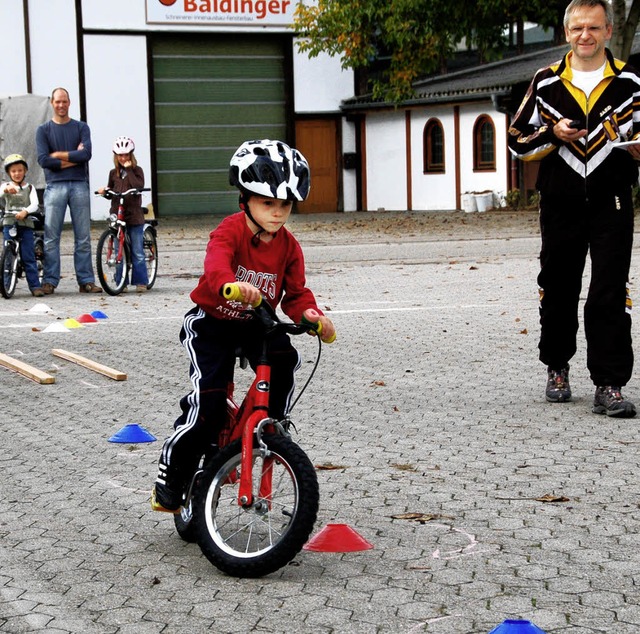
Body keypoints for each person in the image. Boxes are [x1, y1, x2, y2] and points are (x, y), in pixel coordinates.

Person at [151, 139, 336, 513]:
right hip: (213, 323)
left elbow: (296, 293)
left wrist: (311, 314)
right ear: (245, 198)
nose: (278, 212)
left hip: (257, 323)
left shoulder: (288, 247)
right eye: (268, 203)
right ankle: (171, 474)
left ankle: (273, 423)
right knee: (209, 408)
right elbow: (216, 264)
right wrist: (228, 285)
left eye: (285, 204)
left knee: (285, 359)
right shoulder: (230, 230)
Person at [508, 0, 640, 417]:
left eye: (594, 27)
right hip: (561, 201)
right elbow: (516, 140)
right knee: (559, 286)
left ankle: (609, 383)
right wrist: (553, 132)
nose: (586, 35)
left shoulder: (631, 81)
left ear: (609, 31)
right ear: (566, 32)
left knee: (609, 290)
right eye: (578, 27)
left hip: (613, 200)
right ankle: (557, 367)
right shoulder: (545, 82)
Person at [35, 87, 101, 294]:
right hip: (54, 186)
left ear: (69, 103)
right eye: (57, 102)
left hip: (79, 185)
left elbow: (87, 154)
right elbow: (44, 160)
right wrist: (72, 156)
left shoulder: (82, 127)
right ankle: (50, 281)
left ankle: (86, 281)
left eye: (64, 101)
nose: (61, 105)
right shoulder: (43, 130)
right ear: (52, 103)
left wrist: (60, 155)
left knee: (82, 236)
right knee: (51, 237)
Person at [97, 136, 149, 293]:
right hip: (118, 214)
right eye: (120, 155)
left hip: (133, 216)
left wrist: (129, 170)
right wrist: (104, 191)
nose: (123, 158)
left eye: (126, 155)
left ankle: (141, 281)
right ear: (116, 156)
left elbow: (138, 185)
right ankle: (121, 282)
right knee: (118, 247)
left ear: (131, 155)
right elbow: (111, 191)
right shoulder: (113, 173)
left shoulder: (137, 171)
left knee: (137, 251)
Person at [0, 154, 44, 297]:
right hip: (9, 222)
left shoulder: (29, 188)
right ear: (8, 173)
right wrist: (6, 190)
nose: (17, 174)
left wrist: (25, 211)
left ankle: (35, 286)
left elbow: (34, 204)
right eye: (13, 171)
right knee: (7, 256)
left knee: (28, 256)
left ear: (25, 171)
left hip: (25, 224)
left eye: (20, 170)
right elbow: (1, 194)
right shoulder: (5, 186)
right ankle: (5, 285)